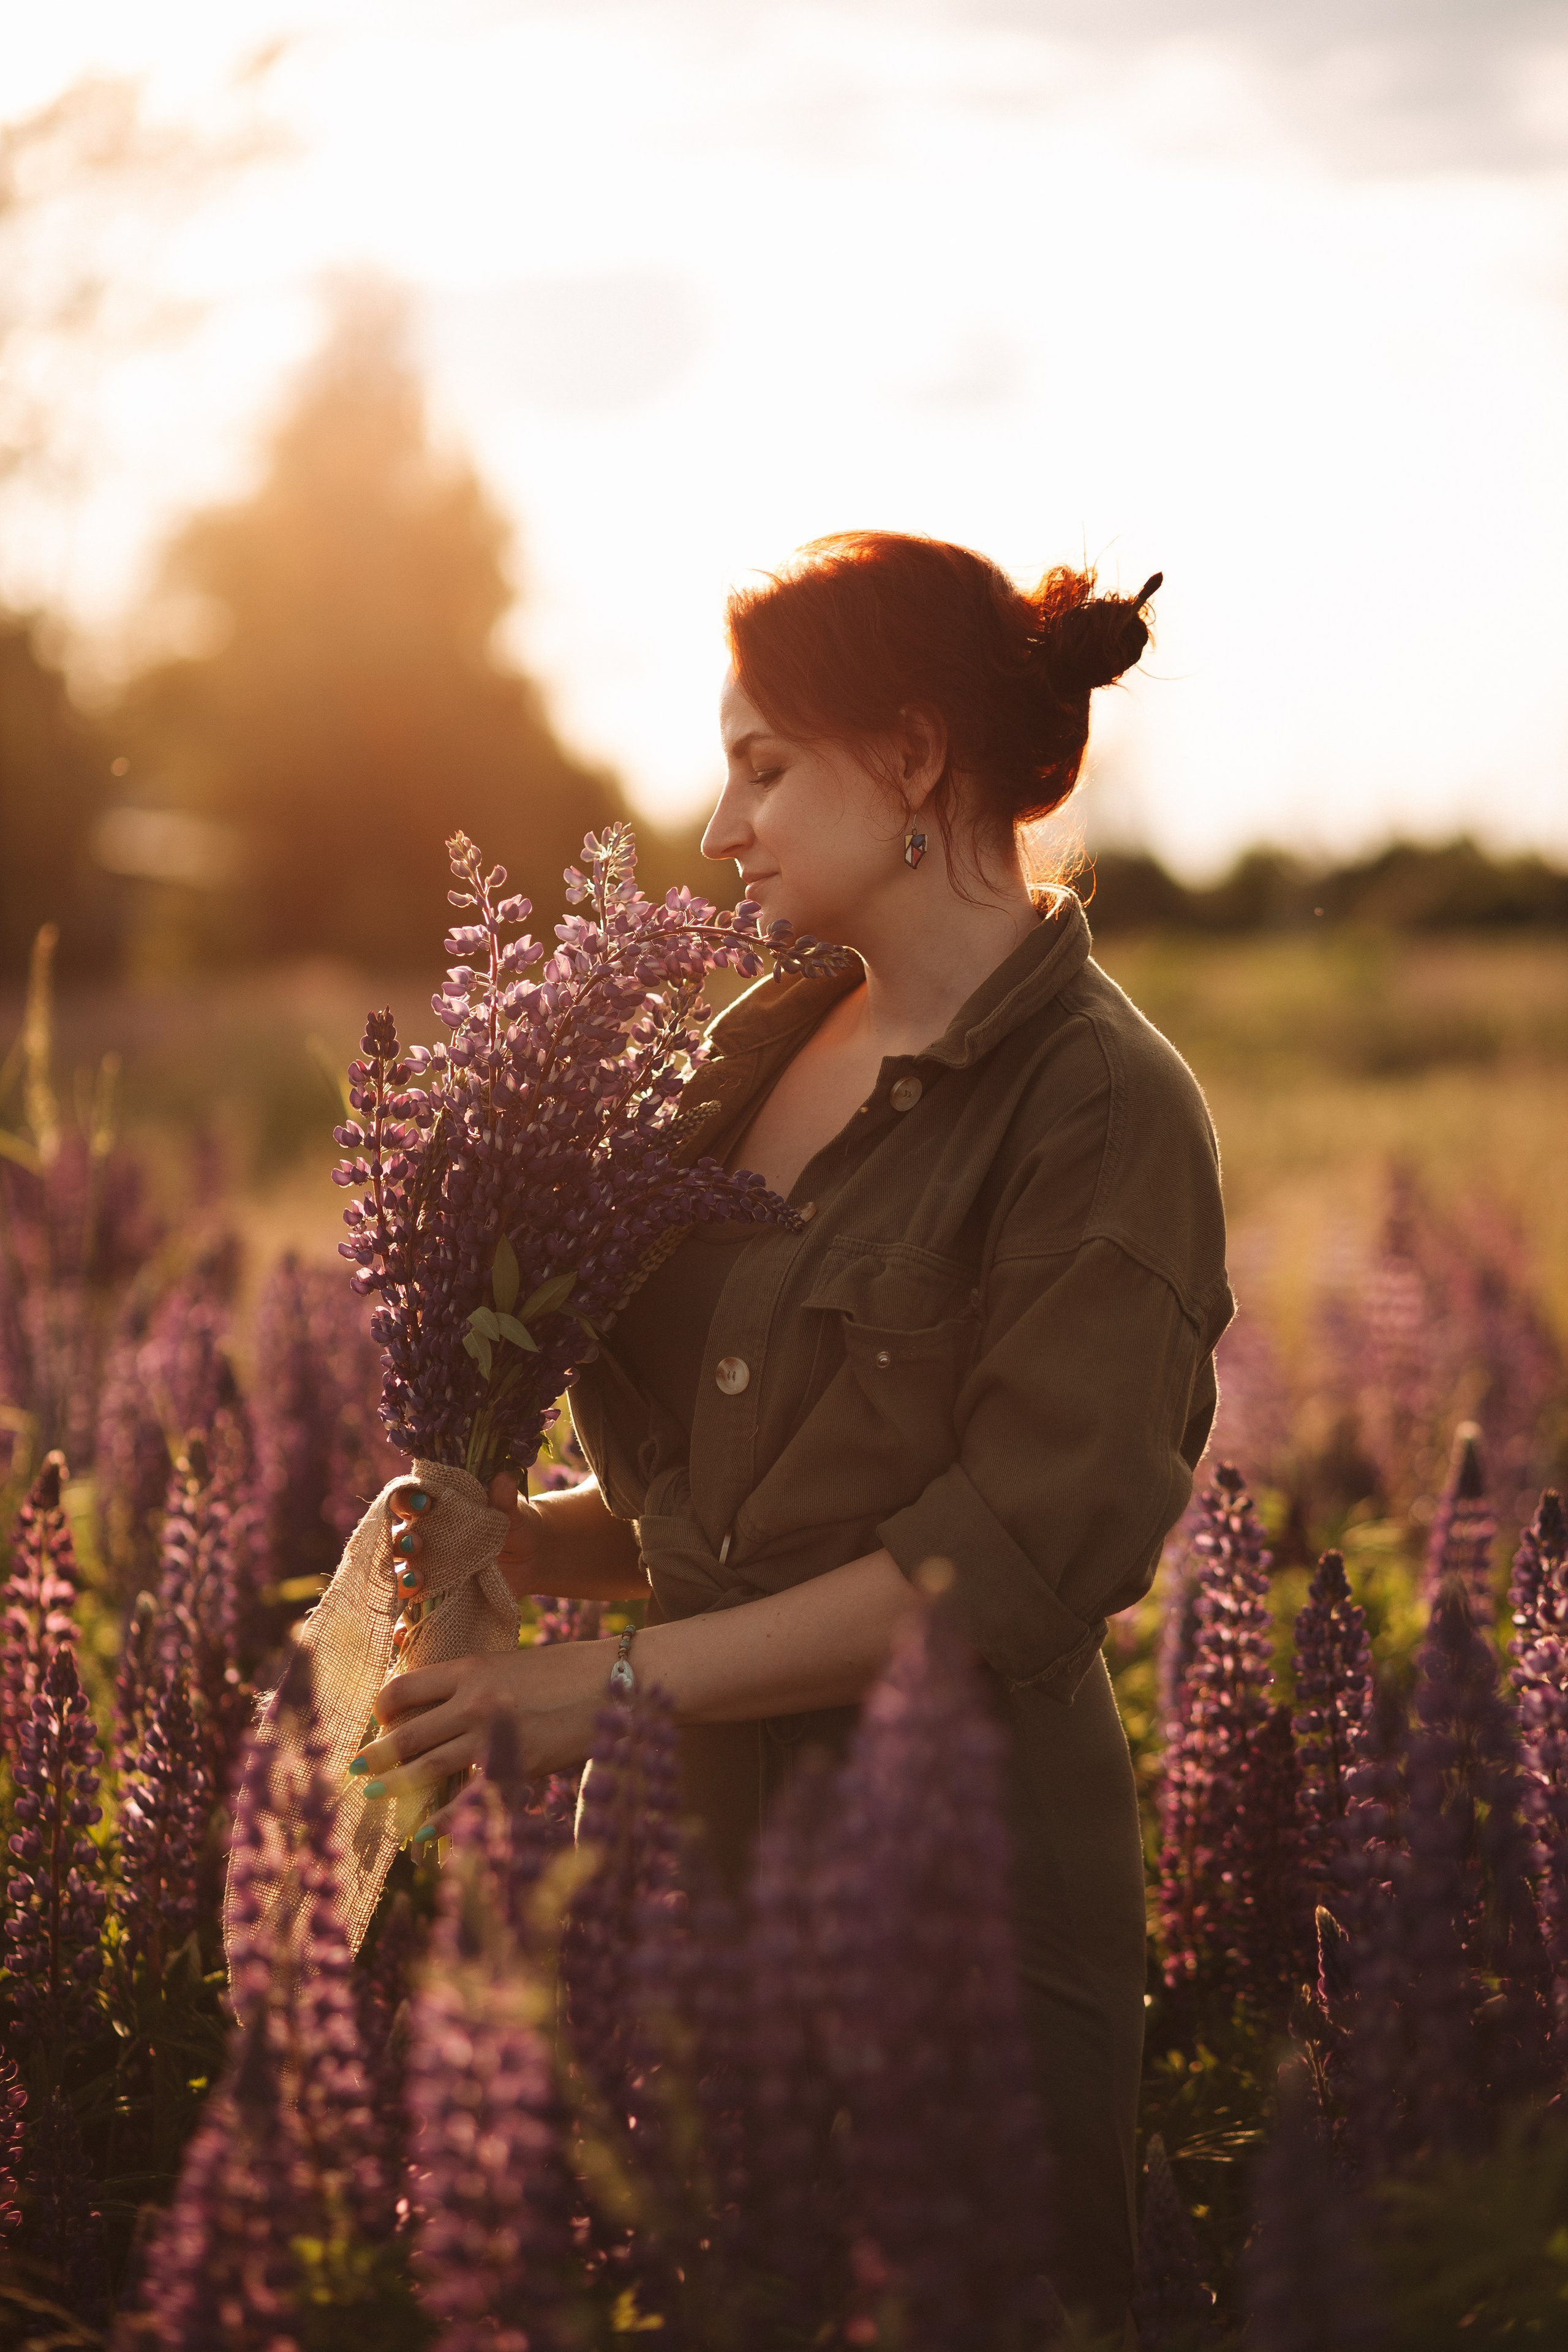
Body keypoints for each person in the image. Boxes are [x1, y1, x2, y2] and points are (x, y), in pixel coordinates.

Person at [350, 530, 1233, 2335]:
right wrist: (515, 1541)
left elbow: (994, 1574)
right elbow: (729, 1503)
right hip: (675, 1858)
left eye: (763, 766)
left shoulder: (1104, 1109)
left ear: (911, 760)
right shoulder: (745, 1047)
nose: (718, 825)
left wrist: (586, 1687)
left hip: (948, 1885)